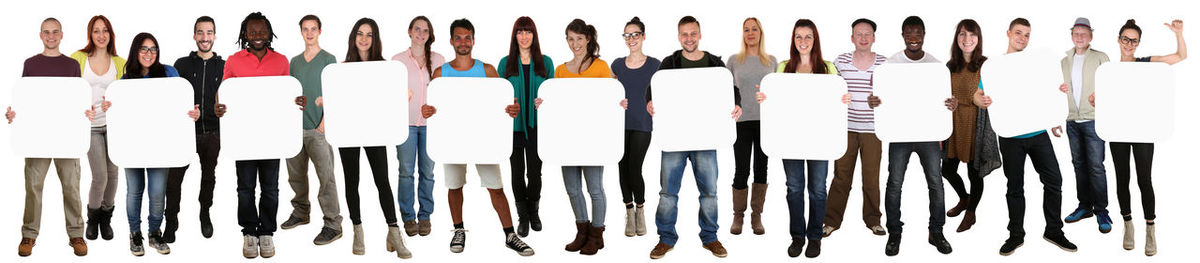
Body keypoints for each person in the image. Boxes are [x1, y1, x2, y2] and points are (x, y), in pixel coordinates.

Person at [420, 18, 535, 256]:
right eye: (459, 37)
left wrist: (511, 109)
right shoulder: (441, 73)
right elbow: (433, 106)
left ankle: (510, 234)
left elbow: (503, 103)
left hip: (483, 139)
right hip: (453, 139)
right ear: (452, 41)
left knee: (496, 188)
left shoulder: (488, 70)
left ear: (473, 40)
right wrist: (427, 111)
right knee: (454, 186)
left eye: (467, 37)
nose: (463, 42)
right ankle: (459, 229)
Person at [976, 18, 1077, 256]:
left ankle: (1053, 230)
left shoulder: (1035, 64)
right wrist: (980, 100)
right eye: (1019, 33)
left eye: (1027, 34)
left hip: (1038, 133)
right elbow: (977, 95)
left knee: (1054, 180)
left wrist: (1056, 105)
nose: (1022, 38)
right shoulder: (995, 67)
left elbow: (1042, 94)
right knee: (1015, 187)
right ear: (1008, 33)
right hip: (1011, 136)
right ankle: (1015, 235)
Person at [645, 16, 742, 259]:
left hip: (706, 137)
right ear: (679, 37)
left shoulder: (714, 62)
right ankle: (666, 239)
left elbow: (731, 90)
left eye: (693, 33)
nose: (689, 38)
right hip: (674, 136)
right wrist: (650, 101)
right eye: (684, 34)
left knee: (709, 192)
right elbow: (653, 88)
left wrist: (737, 105)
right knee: (668, 193)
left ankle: (710, 237)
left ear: (700, 35)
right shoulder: (670, 62)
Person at [214, 12, 307, 259]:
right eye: (252, 32)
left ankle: (266, 232)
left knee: (270, 188)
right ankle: (249, 232)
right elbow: (224, 92)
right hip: (242, 135)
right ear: (245, 34)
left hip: (272, 135)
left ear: (270, 33)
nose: (257, 36)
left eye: (262, 31)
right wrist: (218, 106)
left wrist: (298, 100)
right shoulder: (234, 60)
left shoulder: (281, 61)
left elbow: (287, 96)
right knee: (245, 188)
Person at [753, 18, 848, 259]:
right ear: (793, 41)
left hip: (821, 139)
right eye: (798, 37)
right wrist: (765, 99)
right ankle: (797, 236)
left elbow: (834, 102)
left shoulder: (828, 68)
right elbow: (778, 105)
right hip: (791, 138)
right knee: (794, 189)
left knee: (817, 190)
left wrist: (843, 100)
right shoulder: (784, 67)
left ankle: (815, 237)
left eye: (807, 36)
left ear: (814, 40)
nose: (803, 41)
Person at [866, 15, 953, 256]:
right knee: (894, 183)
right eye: (909, 33)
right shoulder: (891, 65)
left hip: (928, 134)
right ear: (902, 36)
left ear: (924, 35)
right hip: (900, 133)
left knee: (936, 183)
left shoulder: (936, 66)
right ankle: (894, 232)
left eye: (918, 33)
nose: (913, 38)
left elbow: (943, 100)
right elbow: (881, 98)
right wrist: (874, 102)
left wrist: (951, 104)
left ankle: (936, 231)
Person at [109, 32, 199, 256]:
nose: (149, 54)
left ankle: (154, 233)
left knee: (158, 192)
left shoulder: (169, 73)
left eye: (153, 49)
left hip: (162, 144)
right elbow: (120, 112)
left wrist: (192, 113)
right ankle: (135, 234)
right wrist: (110, 108)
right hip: (133, 145)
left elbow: (181, 106)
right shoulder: (126, 79)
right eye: (144, 49)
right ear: (135, 51)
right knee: (134, 191)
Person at [328, 17, 412, 258]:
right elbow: (340, 100)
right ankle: (358, 230)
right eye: (360, 34)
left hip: (374, 130)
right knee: (351, 181)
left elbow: (389, 99)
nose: (364, 39)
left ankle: (394, 232)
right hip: (348, 130)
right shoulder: (342, 68)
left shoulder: (385, 69)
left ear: (375, 39)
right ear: (353, 38)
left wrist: (402, 94)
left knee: (382, 181)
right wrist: (327, 101)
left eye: (369, 34)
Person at [1102, 19, 1185, 256]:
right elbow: (1108, 102)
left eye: (1134, 40)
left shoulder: (1146, 64)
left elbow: (1180, 56)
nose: (1129, 44)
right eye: (1125, 39)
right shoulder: (1109, 70)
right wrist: (1097, 100)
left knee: (1144, 179)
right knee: (1122, 178)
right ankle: (1128, 225)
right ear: (1119, 40)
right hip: (1117, 130)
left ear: (1138, 43)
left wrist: (1178, 33)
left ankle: (1150, 229)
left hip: (1143, 130)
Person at [10, 17, 90, 257]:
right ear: (41, 35)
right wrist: (15, 113)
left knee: (71, 187)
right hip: (38, 136)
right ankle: (29, 234)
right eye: (47, 32)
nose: (51, 36)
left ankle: (76, 234)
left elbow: (77, 98)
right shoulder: (30, 64)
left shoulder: (71, 65)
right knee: (33, 187)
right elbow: (26, 99)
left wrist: (86, 111)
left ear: (62, 35)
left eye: (55, 32)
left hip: (67, 135)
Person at [543, 18, 620, 256]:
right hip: (567, 138)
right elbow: (557, 106)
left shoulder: (601, 67)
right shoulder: (560, 70)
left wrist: (619, 102)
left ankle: (597, 235)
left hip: (594, 138)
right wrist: (543, 103)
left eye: (579, 38)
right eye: (570, 38)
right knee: (573, 189)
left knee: (595, 189)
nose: (575, 43)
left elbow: (609, 101)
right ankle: (582, 231)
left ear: (588, 39)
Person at [279, 14, 344, 247]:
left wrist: (324, 124)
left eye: (313, 29)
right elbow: (289, 92)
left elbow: (336, 93)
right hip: (295, 128)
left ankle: (333, 224)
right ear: (301, 32)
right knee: (296, 177)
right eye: (305, 29)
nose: (309, 33)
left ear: (320, 31)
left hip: (319, 129)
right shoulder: (293, 62)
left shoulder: (329, 59)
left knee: (326, 178)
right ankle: (301, 212)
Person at [824, 18, 888, 238]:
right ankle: (830, 221)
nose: (863, 38)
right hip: (845, 128)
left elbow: (892, 97)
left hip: (873, 130)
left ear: (874, 38)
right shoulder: (840, 61)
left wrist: (881, 100)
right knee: (841, 176)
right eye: (858, 34)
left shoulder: (884, 63)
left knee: (871, 178)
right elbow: (830, 91)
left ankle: (874, 221)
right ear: (852, 37)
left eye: (867, 34)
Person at [166, 15, 224, 243]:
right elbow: (172, 98)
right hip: (184, 133)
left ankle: (205, 212)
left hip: (212, 132)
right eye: (200, 32)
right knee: (173, 180)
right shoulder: (181, 64)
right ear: (194, 36)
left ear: (215, 36)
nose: (205, 37)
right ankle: (171, 220)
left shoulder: (223, 65)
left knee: (208, 177)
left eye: (209, 32)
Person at [941, 19, 1001, 235]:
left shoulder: (987, 65)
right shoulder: (949, 66)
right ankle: (964, 198)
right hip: (954, 124)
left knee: (974, 173)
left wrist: (977, 100)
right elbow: (941, 96)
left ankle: (971, 211)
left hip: (977, 125)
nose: (967, 39)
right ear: (957, 38)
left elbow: (995, 95)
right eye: (962, 34)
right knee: (947, 169)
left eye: (972, 34)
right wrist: (948, 102)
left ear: (979, 38)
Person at [69, 15, 126, 242]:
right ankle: (92, 218)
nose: (101, 35)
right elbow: (68, 93)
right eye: (96, 31)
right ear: (90, 35)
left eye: (105, 31)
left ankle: (106, 217)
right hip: (90, 126)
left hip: (113, 126)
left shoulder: (119, 62)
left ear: (111, 34)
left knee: (113, 175)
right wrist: (80, 110)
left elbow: (126, 97)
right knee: (100, 176)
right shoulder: (77, 58)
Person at [497, 16, 551, 238]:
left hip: (538, 126)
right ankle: (523, 216)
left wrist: (544, 101)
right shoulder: (505, 63)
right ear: (514, 36)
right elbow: (497, 98)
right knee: (517, 173)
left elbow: (554, 96)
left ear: (534, 35)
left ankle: (534, 211)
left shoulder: (545, 62)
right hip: (513, 128)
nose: (524, 36)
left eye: (528, 32)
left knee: (536, 173)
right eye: (520, 32)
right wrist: (507, 105)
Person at [392, 15, 444, 238]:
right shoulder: (397, 60)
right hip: (405, 124)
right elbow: (389, 93)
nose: (421, 34)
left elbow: (445, 92)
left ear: (429, 35)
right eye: (417, 29)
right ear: (409, 31)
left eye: (425, 31)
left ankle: (425, 216)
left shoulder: (439, 59)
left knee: (428, 172)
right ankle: (408, 216)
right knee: (406, 172)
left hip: (432, 125)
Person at [1060, 17, 1113, 234]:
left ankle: (1102, 211)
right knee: (1078, 165)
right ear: (1072, 35)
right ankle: (1085, 207)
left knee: (1096, 167)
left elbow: (1112, 86)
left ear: (1091, 36)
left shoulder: (1101, 58)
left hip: (1094, 121)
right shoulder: (1063, 61)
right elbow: (1054, 92)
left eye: (1084, 33)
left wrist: (1102, 97)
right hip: (1072, 120)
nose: (1079, 37)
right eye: (1076, 33)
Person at [726, 17, 776, 236]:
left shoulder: (772, 61)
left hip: (766, 122)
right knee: (741, 169)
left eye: (754, 29)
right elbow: (724, 90)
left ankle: (757, 215)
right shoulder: (734, 60)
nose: (750, 33)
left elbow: (780, 93)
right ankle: (738, 215)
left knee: (761, 169)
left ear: (761, 32)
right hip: (741, 122)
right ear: (743, 34)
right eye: (746, 29)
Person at [612, 16, 658, 238]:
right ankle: (629, 212)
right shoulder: (617, 65)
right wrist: (615, 102)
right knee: (622, 168)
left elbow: (664, 94)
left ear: (643, 36)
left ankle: (640, 210)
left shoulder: (655, 64)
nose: (631, 39)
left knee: (634, 168)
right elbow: (608, 94)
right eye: (627, 35)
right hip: (619, 124)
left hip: (642, 124)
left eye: (635, 34)